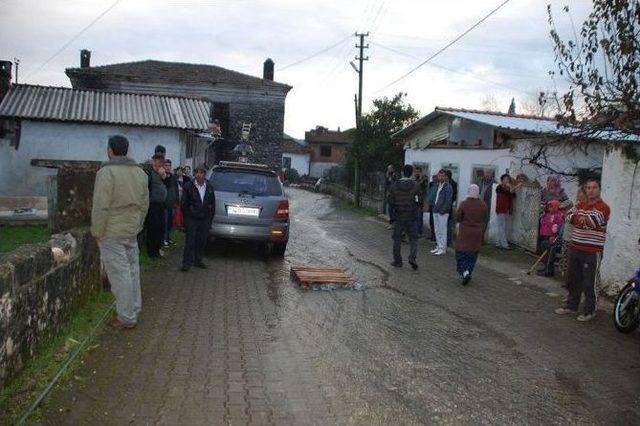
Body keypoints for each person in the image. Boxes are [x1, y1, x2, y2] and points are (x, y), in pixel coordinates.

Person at [91, 135, 149, 329]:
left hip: (112, 231)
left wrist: (97, 231)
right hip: (131, 229)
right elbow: (144, 204)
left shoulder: (107, 173)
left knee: (119, 275)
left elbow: (101, 206)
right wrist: (138, 224)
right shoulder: (140, 173)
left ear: (110, 150)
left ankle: (126, 317)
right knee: (132, 271)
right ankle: (134, 308)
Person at [555, 178, 610, 322]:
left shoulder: (604, 207)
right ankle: (571, 306)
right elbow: (568, 216)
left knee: (589, 282)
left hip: (592, 251)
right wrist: (582, 218)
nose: (591, 190)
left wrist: (579, 218)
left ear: (599, 189)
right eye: (588, 187)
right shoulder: (580, 204)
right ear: (585, 190)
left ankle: (589, 311)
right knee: (573, 279)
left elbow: (593, 221)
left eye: (594, 187)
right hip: (575, 247)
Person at [181, 164, 216, 272]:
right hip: (192, 218)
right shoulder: (188, 186)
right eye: (197, 173)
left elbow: (212, 204)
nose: (199, 175)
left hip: (204, 218)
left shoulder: (210, 187)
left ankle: (198, 260)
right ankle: (187, 263)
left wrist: (209, 219)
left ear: (205, 175)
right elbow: (184, 204)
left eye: (202, 173)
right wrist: (189, 214)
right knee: (190, 240)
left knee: (201, 240)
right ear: (195, 174)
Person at [454, 184, 488, 286]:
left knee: (460, 253)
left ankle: (465, 272)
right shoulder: (483, 205)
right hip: (477, 233)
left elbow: (458, 217)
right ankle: (468, 271)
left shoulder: (464, 204)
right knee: (473, 254)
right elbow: (485, 218)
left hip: (465, 232)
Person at [388, 164, 419, 270]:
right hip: (411, 216)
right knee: (413, 238)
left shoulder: (394, 186)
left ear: (402, 172)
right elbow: (419, 201)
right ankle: (412, 258)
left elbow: (390, 202)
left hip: (399, 216)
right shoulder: (415, 186)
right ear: (411, 173)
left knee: (397, 239)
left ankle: (398, 261)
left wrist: (393, 214)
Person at [145, 153, 167, 258]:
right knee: (152, 229)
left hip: (161, 204)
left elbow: (169, 184)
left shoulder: (162, 172)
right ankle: (152, 252)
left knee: (161, 228)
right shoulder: (149, 172)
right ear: (154, 161)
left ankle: (158, 249)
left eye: (162, 161)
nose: (161, 163)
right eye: (159, 161)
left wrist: (164, 176)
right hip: (152, 204)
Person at [537, 199, 564, 276]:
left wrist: (554, 235)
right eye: (549, 207)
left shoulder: (558, 216)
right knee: (544, 252)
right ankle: (546, 267)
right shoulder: (547, 215)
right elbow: (543, 223)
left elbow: (559, 228)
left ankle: (549, 271)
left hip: (552, 238)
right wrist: (542, 218)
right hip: (544, 236)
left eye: (551, 207)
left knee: (550, 254)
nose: (550, 209)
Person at [431, 169, 453, 256]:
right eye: (439, 176)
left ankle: (442, 248)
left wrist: (442, 210)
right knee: (437, 229)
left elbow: (448, 201)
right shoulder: (438, 185)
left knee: (442, 230)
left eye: (442, 176)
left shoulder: (448, 187)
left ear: (446, 177)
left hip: (442, 212)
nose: (440, 177)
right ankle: (438, 245)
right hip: (436, 210)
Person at [495, 173, 517, 249]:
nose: (506, 180)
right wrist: (510, 189)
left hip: (506, 209)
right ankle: (504, 244)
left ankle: (498, 242)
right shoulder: (499, 187)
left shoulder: (508, 188)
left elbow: (514, 196)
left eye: (508, 179)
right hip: (501, 209)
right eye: (505, 179)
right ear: (502, 180)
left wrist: (512, 190)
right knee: (501, 226)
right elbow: (503, 192)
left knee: (502, 227)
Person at [163, 159, 180, 247]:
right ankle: (164, 239)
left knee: (170, 223)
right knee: (165, 223)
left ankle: (168, 238)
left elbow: (176, 190)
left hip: (172, 204)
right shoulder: (162, 177)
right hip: (165, 205)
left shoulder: (173, 177)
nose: (168, 167)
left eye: (169, 166)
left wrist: (177, 201)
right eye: (166, 165)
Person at [476, 169, 495, 239]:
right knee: (477, 220)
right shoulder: (479, 181)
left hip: (487, 205)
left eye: (489, 173)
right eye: (486, 172)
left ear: (491, 174)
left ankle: (481, 237)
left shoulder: (494, 183)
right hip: (478, 204)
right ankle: (476, 235)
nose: (487, 174)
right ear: (484, 173)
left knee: (485, 221)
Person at [413, 166, 428, 238]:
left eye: (418, 171)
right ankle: (415, 230)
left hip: (421, 201)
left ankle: (419, 232)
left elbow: (419, 185)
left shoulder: (424, 178)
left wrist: (421, 178)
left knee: (419, 217)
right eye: (415, 171)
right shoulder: (415, 179)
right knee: (415, 217)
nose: (416, 173)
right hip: (414, 201)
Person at [445, 170, 458, 246]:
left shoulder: (451, 184)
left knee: (449, 224)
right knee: (448, 223)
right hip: (449, 205)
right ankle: (448, 240)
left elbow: (453, 196)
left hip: (449, 206)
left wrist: (448, 202)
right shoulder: (452, 183)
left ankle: (449, 240)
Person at [384, 164, 398, 229]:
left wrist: (390, 178)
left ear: (393, 169)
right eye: (388, 169)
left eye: (389, 169)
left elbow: (395, 184)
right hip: (390, 195)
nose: (388, 170)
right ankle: (391, 223)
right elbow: (386, 185)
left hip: (395, 196)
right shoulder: (388, 176)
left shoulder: (395, 175)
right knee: (390, 210)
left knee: (394, 210)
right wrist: (387, 177)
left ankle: (394, 224)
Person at [427, 174, 438, 242]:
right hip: (431, 205)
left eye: (434, 177)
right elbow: (429, 193)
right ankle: (432, 235)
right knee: (431, 221)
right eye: (433, 177)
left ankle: (435, 237)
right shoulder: (431, 185)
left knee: (435, 222)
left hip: (435, 206)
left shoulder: (438, 186)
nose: (433, 179)